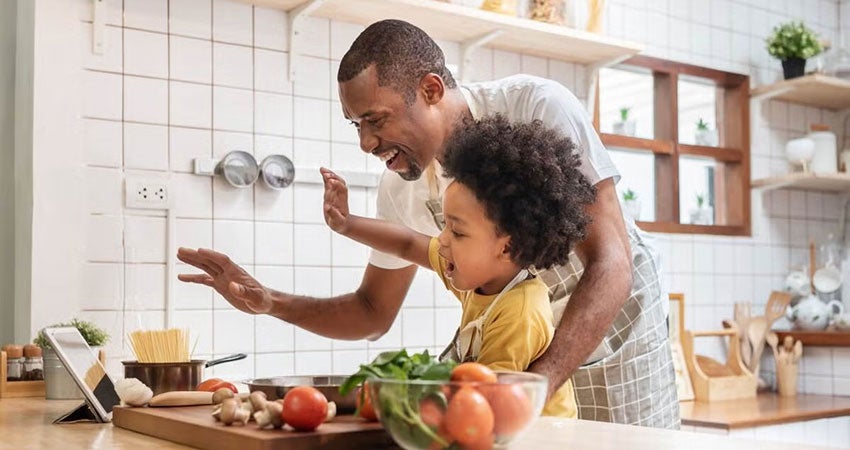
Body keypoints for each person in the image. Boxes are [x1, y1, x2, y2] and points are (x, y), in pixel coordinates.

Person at [178, 19, 679, 428]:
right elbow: (372, 311)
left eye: (376, 120)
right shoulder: (401, 185)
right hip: (514, 360)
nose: (365, 143)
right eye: (356, 125)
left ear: (431, 89)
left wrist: (539, 384)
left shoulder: (535, 107)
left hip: (614, 333)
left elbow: (611, 261)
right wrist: (269, 302)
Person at [322, 115, 595, 418]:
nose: (442, 239)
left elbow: (485, 403)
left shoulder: (520, 313)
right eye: (445, 225)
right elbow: (407, 244)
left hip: (543, 436)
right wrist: (347, 224)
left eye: (458, 232)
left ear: (506, 248)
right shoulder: (481, 275)